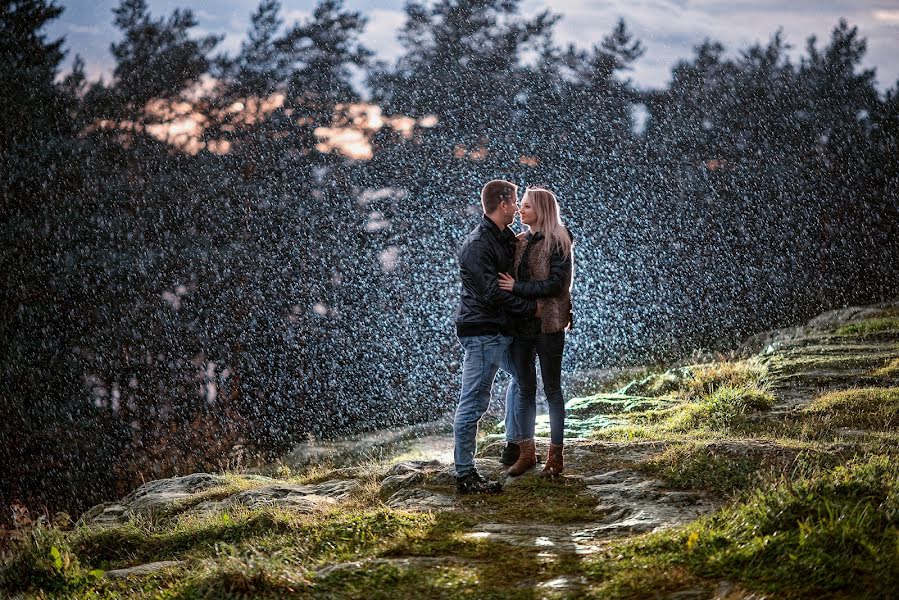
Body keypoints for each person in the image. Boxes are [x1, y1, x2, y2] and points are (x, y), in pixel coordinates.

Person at [453, 179, 542, 494]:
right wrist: (531, 308)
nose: (518, 207)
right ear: (503, 204)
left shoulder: (505, 239)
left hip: (500, 330)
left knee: (522, 378)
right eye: (515, 201)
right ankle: (465, 475)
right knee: (474, 401)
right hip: (482, 331)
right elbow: (492, 293)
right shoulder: (478, 244)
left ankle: (513, 447)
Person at [498, 186, 573, 478]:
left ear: (540, 209)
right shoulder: (519, 241)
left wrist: (518, 288)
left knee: (552, 389)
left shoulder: (559, 240)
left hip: (550, 324)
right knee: (525, 388)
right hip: (522, 325)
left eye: (526, 206)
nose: (520, 210)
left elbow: (556, 285)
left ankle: (556, 457)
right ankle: (527, 453)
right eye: (521, 205)